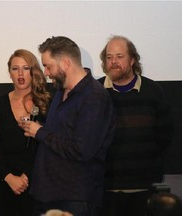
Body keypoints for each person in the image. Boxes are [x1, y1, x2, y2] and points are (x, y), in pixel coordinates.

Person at [21, 36, 116, 216]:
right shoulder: (60, 90)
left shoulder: (94, 97)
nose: (46, 73)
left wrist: (39, 132)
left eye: (48, 66)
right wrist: (36, 127)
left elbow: (82, 150)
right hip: (48, 192)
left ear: (65, 63)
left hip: (75, 197)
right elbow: (62, 134)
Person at [98, 35, 173, 216]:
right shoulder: (95, 92)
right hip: (105, 189)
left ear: (132, 60)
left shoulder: (153, 91)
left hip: (144, 187)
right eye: (109, 57)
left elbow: (165, 135)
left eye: (119, 56)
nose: (113, 62)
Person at [0, 49, 51, 216]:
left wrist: (27, 176)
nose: (20, 74)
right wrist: (8, 177)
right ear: (10, 73)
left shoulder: (46, 102)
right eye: (15, 69)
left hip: (38, 184)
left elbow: (50, 145)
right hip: (6, 184)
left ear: (33, 71)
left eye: (25, 68)